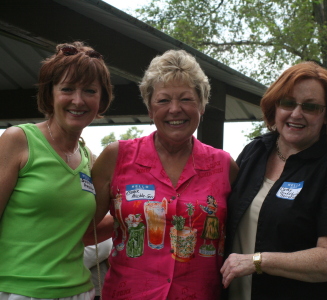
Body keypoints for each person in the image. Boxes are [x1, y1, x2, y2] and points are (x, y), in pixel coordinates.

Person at [92, 49, 239, 300]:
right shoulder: (117, 157)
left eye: (186, 99)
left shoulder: (224, 166)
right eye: (163, 100)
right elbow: (85, 228)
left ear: (202, 105)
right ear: (150, 108)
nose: (175, 109)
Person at [221, 61, 327, 300]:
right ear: (275, 107)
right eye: (288, 103)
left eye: (310, 107)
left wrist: (257, 261)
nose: (296, 114)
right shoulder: (255, 151)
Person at [0, 41, 113, 299]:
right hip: (18, 291)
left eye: (90, 91)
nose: (78, 100)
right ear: (50, 94)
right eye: (67, 89)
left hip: (79, 291)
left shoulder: (88, 159)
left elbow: (88, 229)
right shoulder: (18, 140)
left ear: (101, 99)